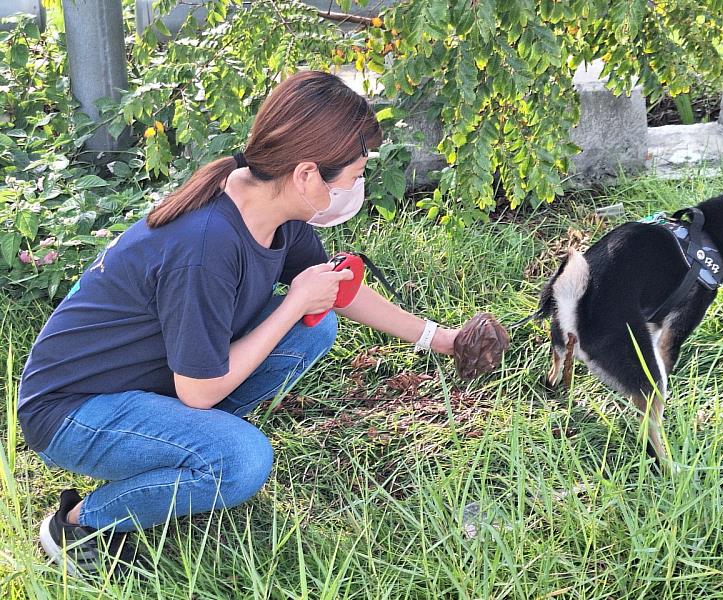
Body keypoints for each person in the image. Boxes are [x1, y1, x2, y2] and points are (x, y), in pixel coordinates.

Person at [18, 70, 461, 576]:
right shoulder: (205, 245)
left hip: (150, 384)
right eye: (355, 174)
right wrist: (293, 302)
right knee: (243, 461)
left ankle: (190, 446)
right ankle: (78, 524)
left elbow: (338, 293)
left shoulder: (273, 205)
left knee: (316, 326)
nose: (357, 186)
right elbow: (200, 393)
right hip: (73, 413)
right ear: (308, 174)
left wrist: (440, 339)